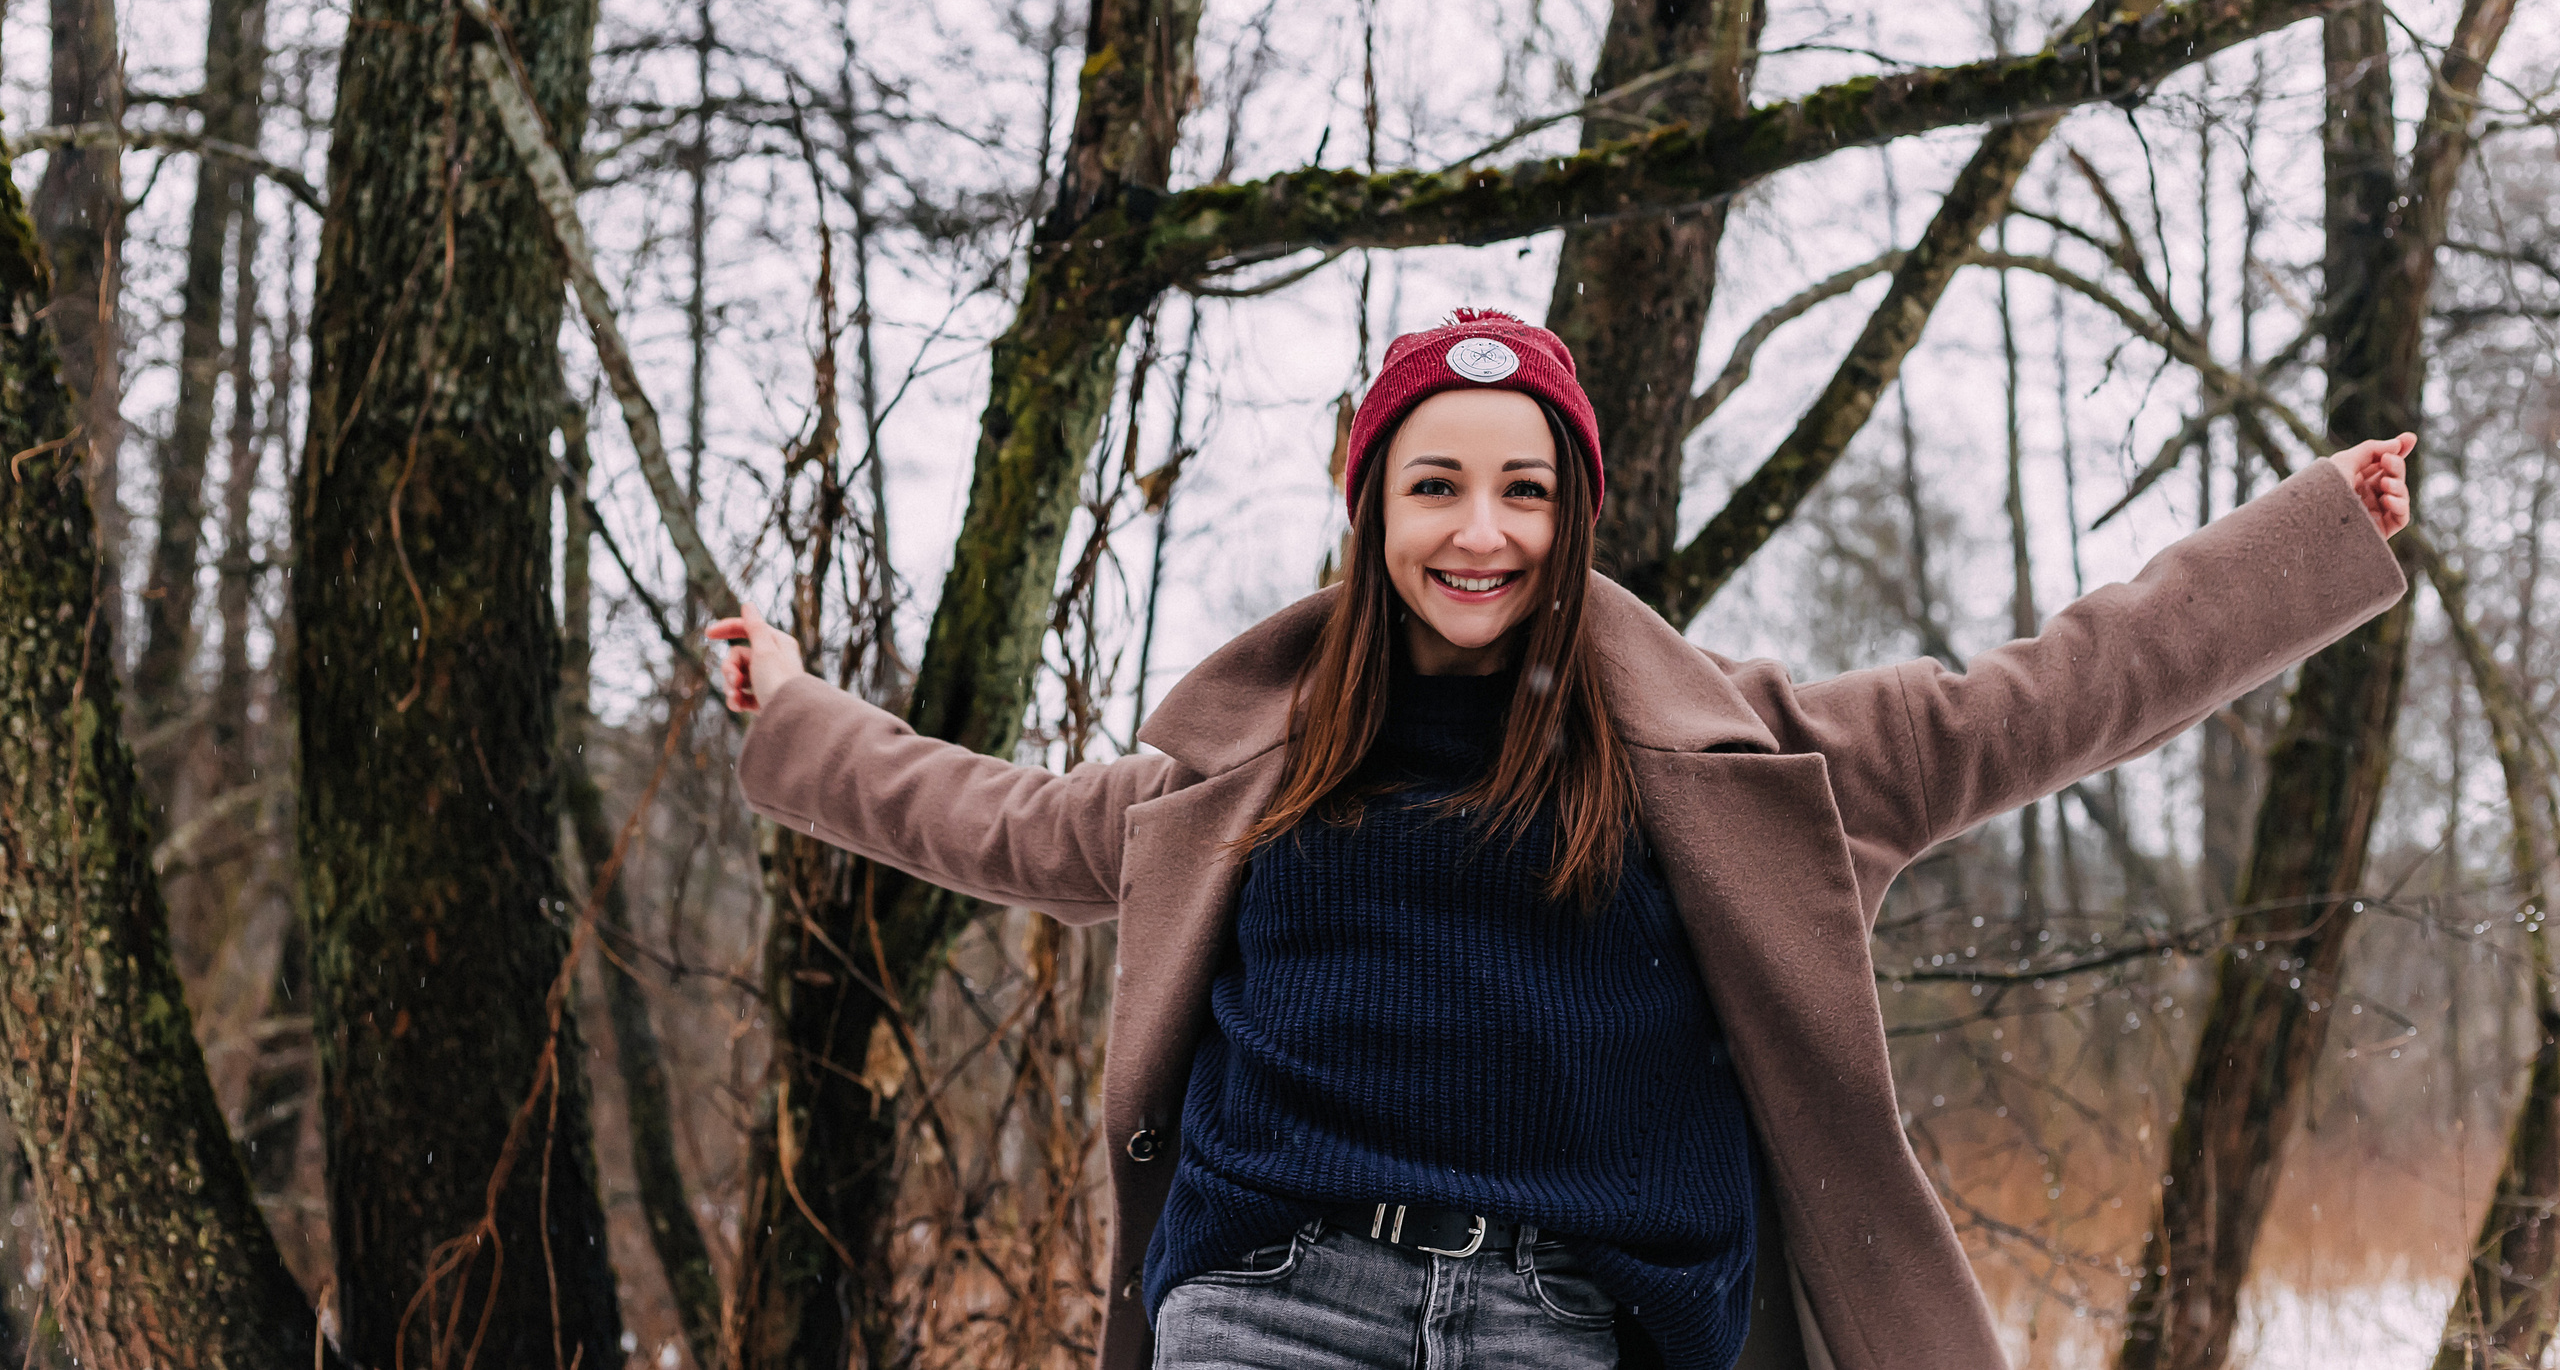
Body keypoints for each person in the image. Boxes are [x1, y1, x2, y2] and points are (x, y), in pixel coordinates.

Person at [710, 307, 2413, 1370]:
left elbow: (2058, 693)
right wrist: (791, 712)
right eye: (1434, 484)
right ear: (1371, 509)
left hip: (1564, 1327)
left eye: (1523, 489)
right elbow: (983, 814)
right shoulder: (1242, 770)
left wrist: (2315, 534)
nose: (1481, 530)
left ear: (1576, 509)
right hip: (1270, 1308)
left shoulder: (1750, 765)